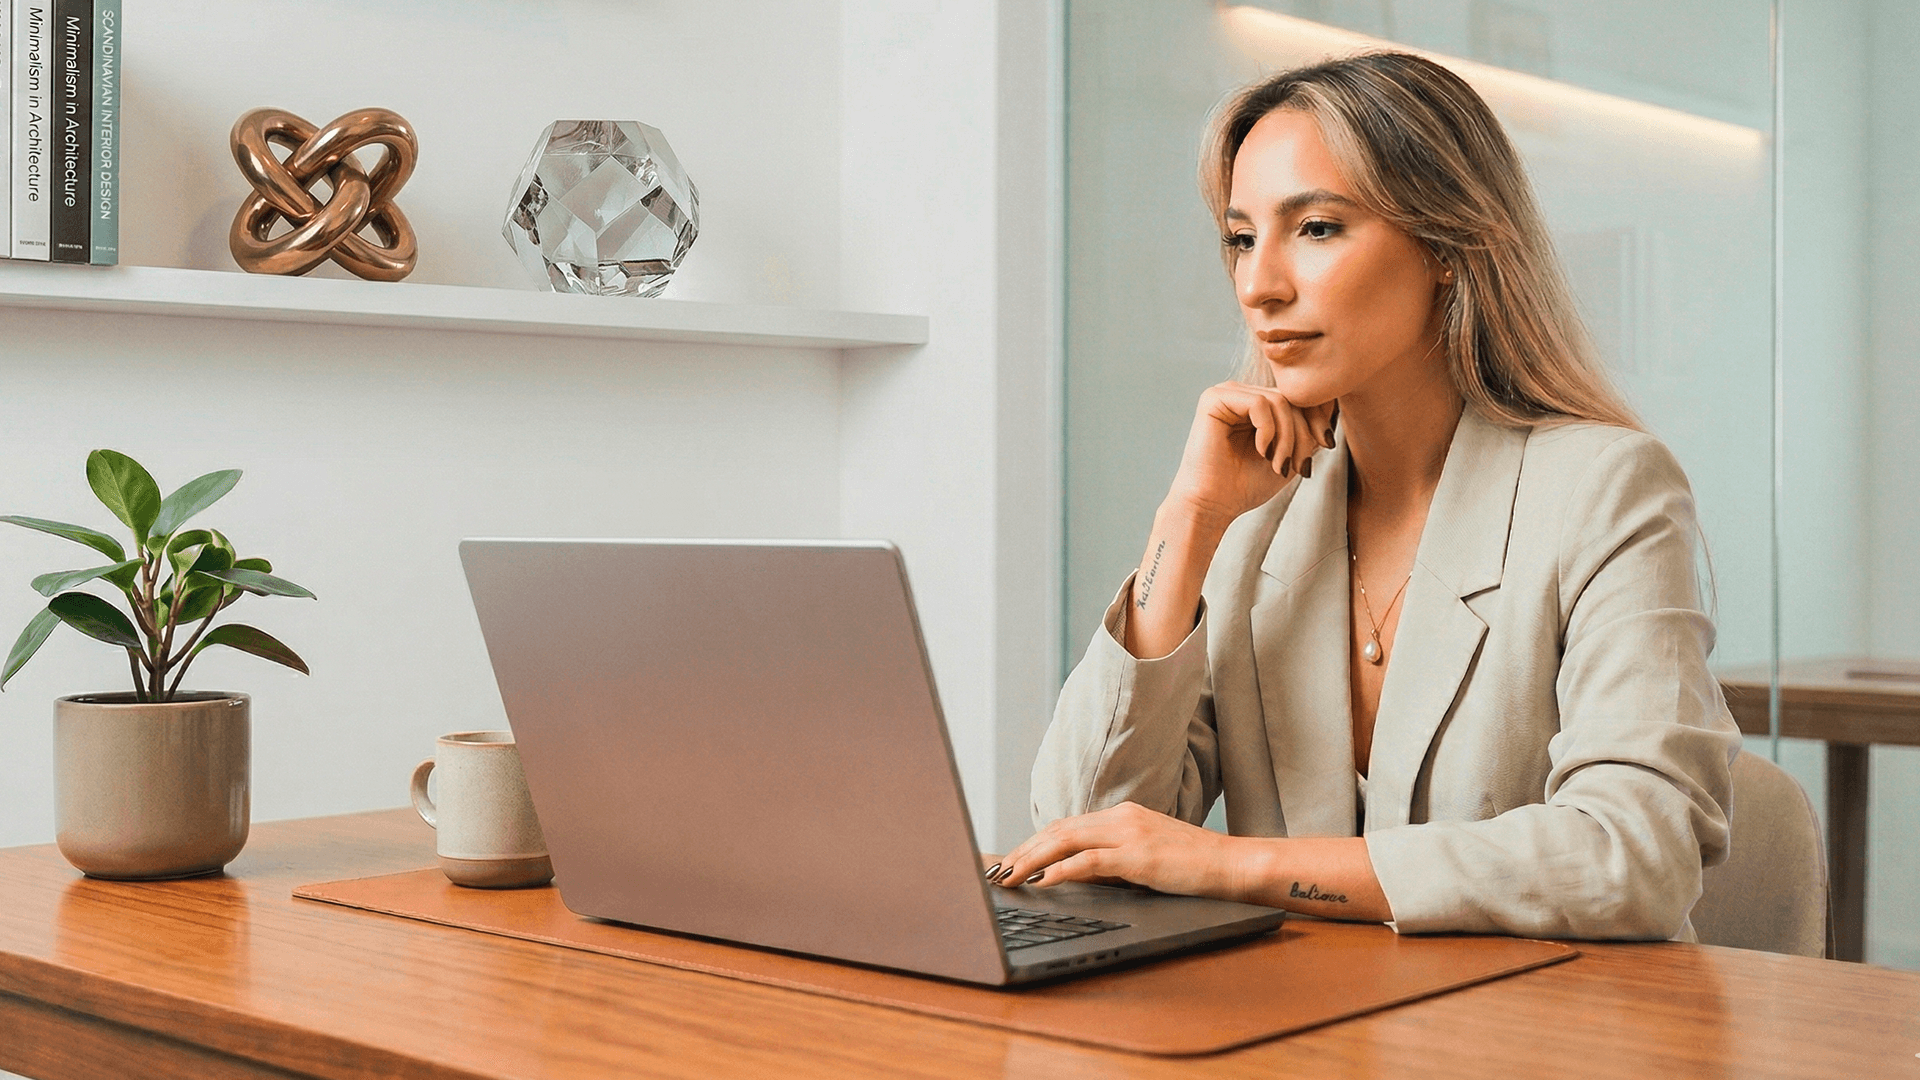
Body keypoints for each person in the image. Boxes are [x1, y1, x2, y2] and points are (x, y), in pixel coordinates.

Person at [989, 52, 1743, 940]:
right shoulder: (1253, 514)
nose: (1259, 284)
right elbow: (1082, 828)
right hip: (1310, 1034)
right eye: (1240, 238)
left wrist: (1234, 865)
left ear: (1450, 246)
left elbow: (1634, 856)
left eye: (1314, 228)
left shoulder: (1606, 490)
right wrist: (1187, 522)